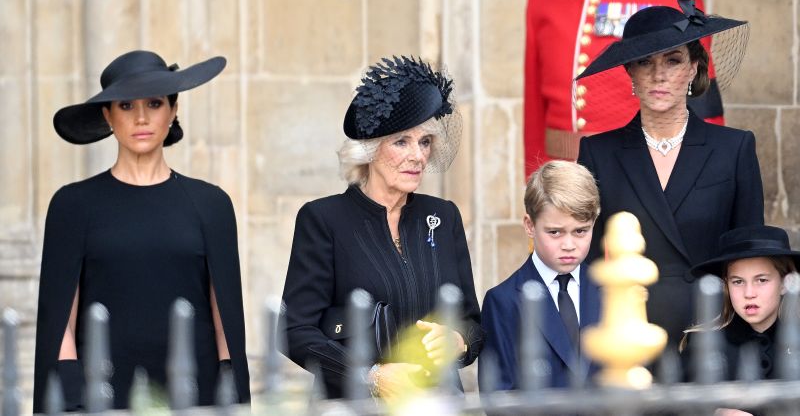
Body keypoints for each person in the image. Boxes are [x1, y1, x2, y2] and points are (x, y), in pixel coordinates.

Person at [32, 51, 250, 411]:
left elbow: (224, 316)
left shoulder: (211, 204)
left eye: (154, 103)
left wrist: (232, 400)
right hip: (101, 395)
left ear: (173, 111)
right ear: (108, 116)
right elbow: (60, 321)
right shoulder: (72, 205)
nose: (142, 117)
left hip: (194, 395)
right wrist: (73, 402)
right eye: (126, 105)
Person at [281, 56, 483, 399]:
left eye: (425, 142)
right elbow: (294, 330)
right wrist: (369, 376)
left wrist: (460, 340)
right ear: (370, 150)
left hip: (436, 402)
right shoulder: (323, 220)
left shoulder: (443, 216)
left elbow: (472, 321)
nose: (418, 156)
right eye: (401, 141)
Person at [576, 0, 763, 348]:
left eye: (673, 60)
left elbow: (749, 258)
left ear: (693, 68)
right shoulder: (598, 152)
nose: (659, 75)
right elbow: (588, 262)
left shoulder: (734, 148)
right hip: (629, 335)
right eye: (645, 61)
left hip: (714, 333)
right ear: (629, 71)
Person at [523, 0, 725, 175]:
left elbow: (702, 102)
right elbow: (534, 106)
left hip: (641, 173)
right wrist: (532, 182)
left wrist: (703, 179)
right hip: (559, 179)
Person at [479, 160, 601, 390]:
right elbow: (499, 397)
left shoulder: (610, 289)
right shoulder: (502, 301)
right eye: (555, 232)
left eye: (580, 231)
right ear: (530, 225)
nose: (568, 245)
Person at [680, 225, 800, 415]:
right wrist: (717, 412)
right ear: (726, 285)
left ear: (785, 283)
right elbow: (670, 405)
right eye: (738, 281)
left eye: (761, 280)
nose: (749, 293)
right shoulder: (704, 343)